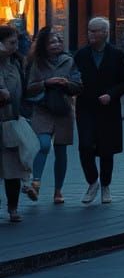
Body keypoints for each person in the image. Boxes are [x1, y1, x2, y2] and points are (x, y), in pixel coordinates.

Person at [72, 17, 124, 204]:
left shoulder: (116, 55)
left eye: (95, 31)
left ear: (105, 33)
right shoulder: (81, 55)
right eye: (89, 30)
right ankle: (92, 181)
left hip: (108, 108)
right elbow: (74, 77)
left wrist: (111, 95)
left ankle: (106, 186)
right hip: (86, 106)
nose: (91, 34)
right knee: (85, 146)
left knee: (107, 149)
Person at [24, 27, 81, 204]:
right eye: (52, 42)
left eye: (58, 41)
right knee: (43, 145)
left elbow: (79, 86)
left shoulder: (69, 61)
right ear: (44, 46)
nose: (56, 44)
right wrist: (46, 83)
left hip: (63, 110)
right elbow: (30, 87)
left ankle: (58, 191)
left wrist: (67, 84)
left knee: (61, 151)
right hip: (43, 109)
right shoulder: (37, 62)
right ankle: (36, 183)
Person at [0, 24, 29, 221]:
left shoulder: (17, 62)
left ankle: (13, 208)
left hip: (12, 120)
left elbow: (23, 91)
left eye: (16, 42)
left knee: (13, 167)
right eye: (11, 42)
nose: (15, 46)